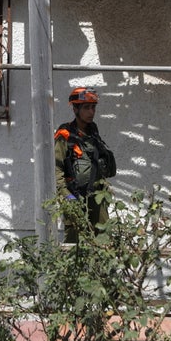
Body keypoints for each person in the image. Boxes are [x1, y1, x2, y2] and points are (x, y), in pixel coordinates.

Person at [54, 86, 117, 242]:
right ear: (75, 109)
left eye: (93, 107)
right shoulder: (65, 135)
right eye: (86, 108)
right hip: (74, 197)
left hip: (97, 198)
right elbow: (56, 169)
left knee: (103, 241)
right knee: (74, 247)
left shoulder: (93, 133)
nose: (91, 112)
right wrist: (66, 195)